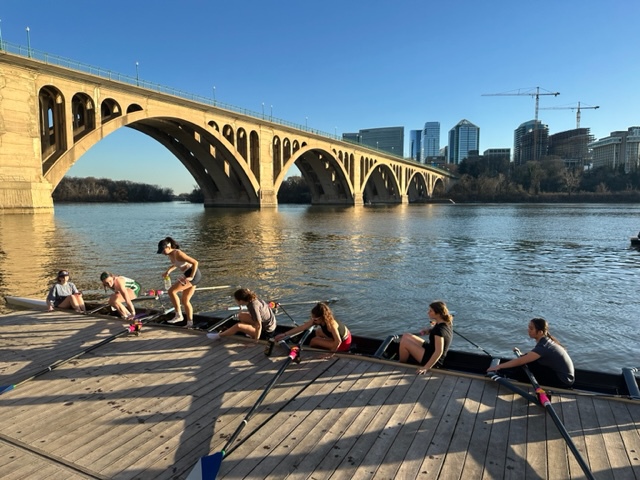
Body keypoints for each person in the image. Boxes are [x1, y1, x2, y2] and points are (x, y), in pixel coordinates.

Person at [487, 317, 575, 388]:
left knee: (525, 366)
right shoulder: (545, 341)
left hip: (563, 381)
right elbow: (532, 356)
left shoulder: (544, 346)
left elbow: (520, 361)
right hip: (563, 376)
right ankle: (508, 373)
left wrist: (498, 366)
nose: (528, 330)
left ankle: (506, 375)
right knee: (528, 363)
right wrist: (522, 355)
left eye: (531, 328)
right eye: (529, 327)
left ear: (540, 332)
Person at [398, 301, 453, 375]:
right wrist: (429, 330)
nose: (428, 312)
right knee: (406, 335)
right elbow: (436, 329)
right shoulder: (445, 323)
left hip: (433, 360)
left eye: (430, 311)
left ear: (438, 314)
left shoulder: (439, 331)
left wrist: (426, 367)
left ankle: (401, 364)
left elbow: (439, 352)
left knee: (404, 343)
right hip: (430, 349)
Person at [157, 237, 201, 328]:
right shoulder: (170, 254)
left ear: (168, 247)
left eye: (163, 250)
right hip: (187, 274)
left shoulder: (178, 253)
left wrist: (191, 277)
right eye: (161, 251)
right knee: (185, 301)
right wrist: (168, 271)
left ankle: (178, 315)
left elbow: (195, 262)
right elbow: (176, 264)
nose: (162, 253)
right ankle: (190, 323)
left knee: (171, 291)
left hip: (193, 274)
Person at [274, 302, 352, 352]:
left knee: (313, 341)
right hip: (342, 336)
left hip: (344, 344)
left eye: (314, 318)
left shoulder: (331, 325)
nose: (312, 320)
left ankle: (323, 347)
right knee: (318, 331)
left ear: (321, 318)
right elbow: (302, 327)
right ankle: (325, 343)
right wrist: (284, 334)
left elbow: (338, 341)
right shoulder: (322, 319)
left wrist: (329, 354)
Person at [207, 288, 275, 341]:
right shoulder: (253, 299)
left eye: (236, 300)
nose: (235, 301)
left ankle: (219, 336)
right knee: (241, 315)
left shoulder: (253, 306)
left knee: (238, 326)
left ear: (241, 301)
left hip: (266, 332)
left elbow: (258, 326)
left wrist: (255, 341)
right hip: (268, 324)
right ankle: (249, 333)